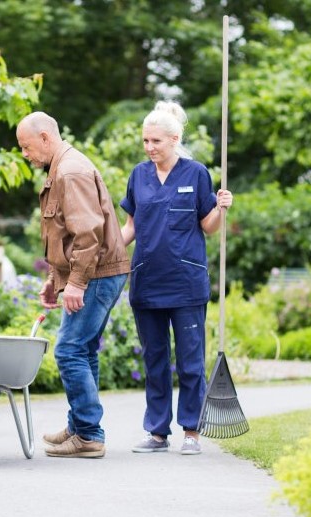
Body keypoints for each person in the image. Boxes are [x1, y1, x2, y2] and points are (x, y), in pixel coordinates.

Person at [120, 101, 233, 455]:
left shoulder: (196, 174)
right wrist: (105, 252)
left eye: (156, 141)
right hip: (147, 282)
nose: (149, 147)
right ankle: (157, 432)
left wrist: (220, 209)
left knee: (190, 362)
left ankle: (191, 432)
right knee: (154, 360)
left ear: (174, 139)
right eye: (145, 141)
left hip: (186, 284)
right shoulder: (138, 175)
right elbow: (130, 227)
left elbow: (208, 227)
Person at [16, 112, 130, 458]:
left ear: (45, 138)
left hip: (96, 274)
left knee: (68, 350)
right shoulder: (61, 169)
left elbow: (88, 233)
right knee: (83, 349)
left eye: (26, 146)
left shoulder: (70, 172)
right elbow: (62, 234)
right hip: (96, 273)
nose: (24, 154)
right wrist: (55, 279)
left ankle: (89, 435)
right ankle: (82, 426)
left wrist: (77, 283)